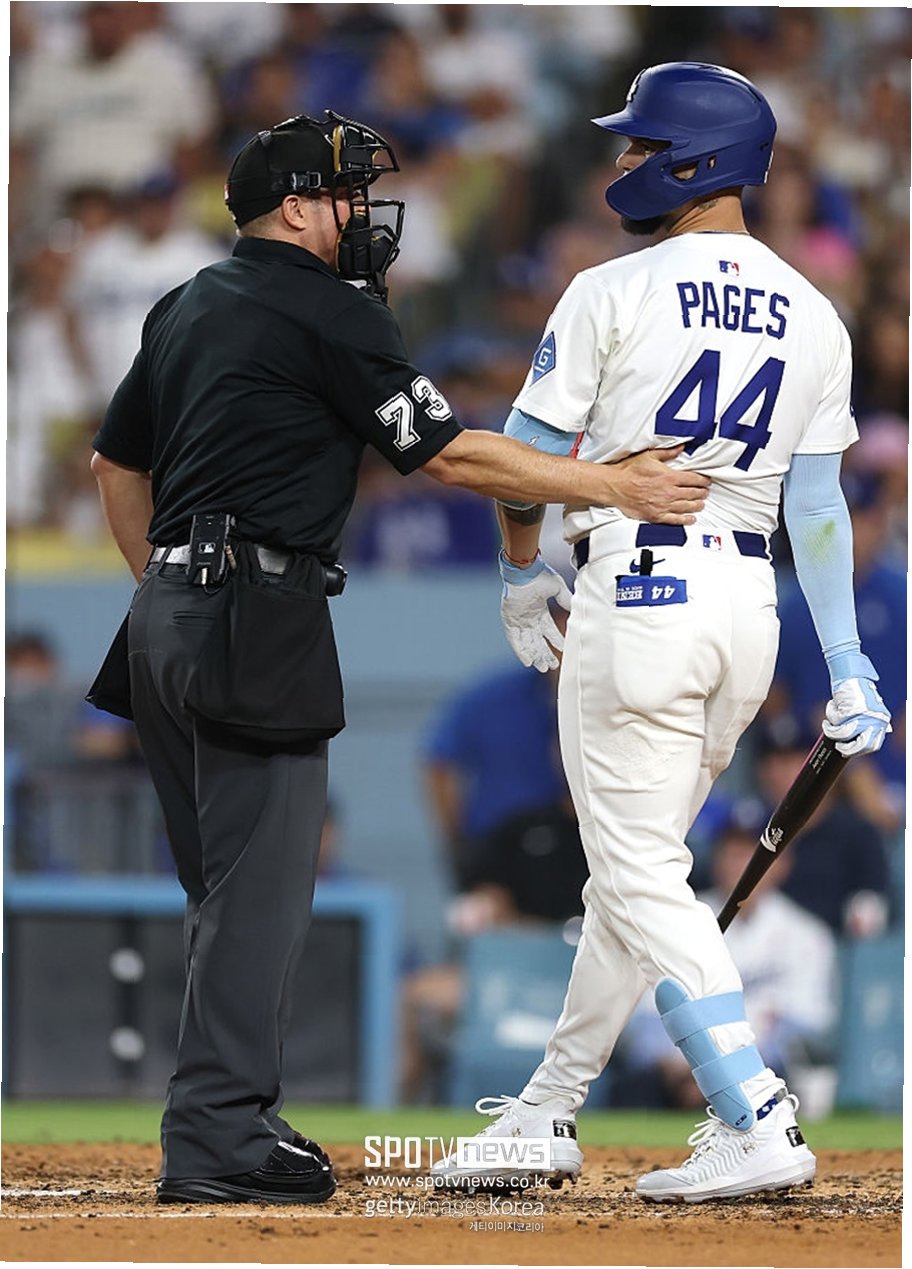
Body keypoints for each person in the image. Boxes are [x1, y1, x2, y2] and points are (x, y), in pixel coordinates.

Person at [88, 108, 709, 1207]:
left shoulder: (184, 303)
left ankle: (229, 1119)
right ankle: (219, 1136)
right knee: (258, 895)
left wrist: (166, 591)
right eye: (345, 195)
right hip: (253, 614)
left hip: (163, 623)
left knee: (221, 893)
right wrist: (618, 484)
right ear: (295, 209)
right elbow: (451, 455)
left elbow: (113, 468)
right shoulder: (330, 308)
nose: (364, 215)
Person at [431, 63, 891, 1203]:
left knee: (639, 871)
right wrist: (846, 659)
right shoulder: (815, 310)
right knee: (629, 882)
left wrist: (522, 572)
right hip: (747, 609)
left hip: (639, 592)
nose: (625, 162)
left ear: (695, 162)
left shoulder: (612, 287)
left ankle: (754, 1109)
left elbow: (524, 459)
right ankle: (545, 1108)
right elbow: (818, 508)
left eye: (642, 146)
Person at [615, 817, 838, 1111]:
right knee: (632, 1088)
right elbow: (646, 1013)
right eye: (730, 854)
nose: (738, 865)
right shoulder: (677, 920)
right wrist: (687, 1068)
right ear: (715, 861)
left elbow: (808, 1022)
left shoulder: (806, 934)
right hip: (674, 1072)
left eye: (749, 855)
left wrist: (728, 1071)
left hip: (762, 1069)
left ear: (781, 865)